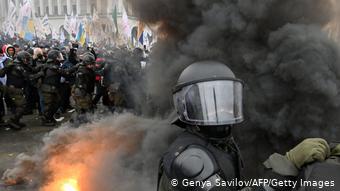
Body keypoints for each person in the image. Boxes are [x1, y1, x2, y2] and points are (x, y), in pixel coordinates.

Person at [157, 61, 331, 191]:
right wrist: (288, 163)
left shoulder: (219, 143)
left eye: (225, 100)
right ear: (185, 105)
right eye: (208, 103)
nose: (220, 110)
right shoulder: (192, 160)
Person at [39, 50, 76, 126]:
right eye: (58, 56)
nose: (60, 58)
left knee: (57, 103)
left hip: (53, 89)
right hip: (48, 89)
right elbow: (66, 72)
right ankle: (45, 120)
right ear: (54, 58)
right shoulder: (52, 66)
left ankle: (49, 117)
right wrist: (76, 67)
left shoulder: (52, 65)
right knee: (48, 105)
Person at [0, 51, 31, 130]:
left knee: (20, 106)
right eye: (25, 59)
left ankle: (16, 120)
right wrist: (7, 67)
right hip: (13, 89)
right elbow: (1, 74)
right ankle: (12, 121)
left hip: (16, 88)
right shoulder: (15, 66)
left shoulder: (19, 65)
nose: (26, 61)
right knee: (22, 105)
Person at [70, 52, 96, 123]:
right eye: (89, 64)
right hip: (81, 92)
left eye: (92, 63)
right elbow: (80, 85)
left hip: (85, 92)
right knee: (83, 109)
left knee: (83, 109)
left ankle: (80, 122)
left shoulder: (88, 69)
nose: (91, 65)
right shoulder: (82, 71)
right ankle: (77, 124)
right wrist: (85, 96)